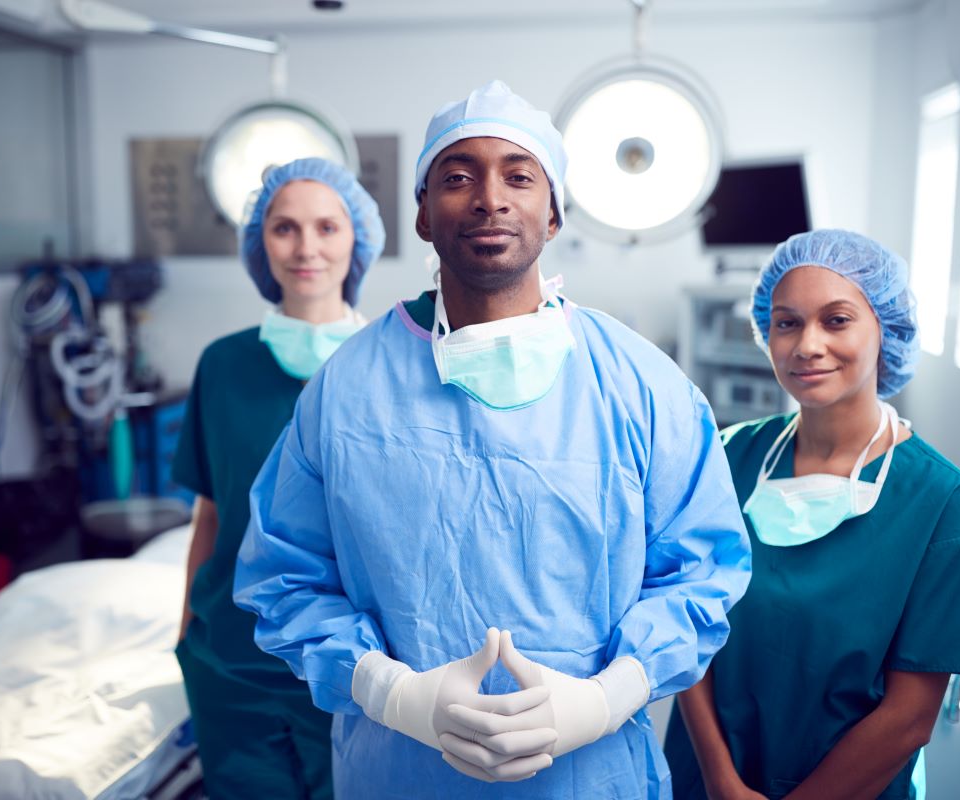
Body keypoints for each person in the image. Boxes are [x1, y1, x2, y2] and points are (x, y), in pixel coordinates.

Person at [233, 80, 752, 800]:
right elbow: (283, 578)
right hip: (399, 776)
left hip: (591, 779)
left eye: (518, 174)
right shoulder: (345, 389)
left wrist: (604, 697)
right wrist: (393, 694)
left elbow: (701, 573)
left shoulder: (642, 385)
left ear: (555, 209)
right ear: (420, 212)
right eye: (457, 176)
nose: (489, 198)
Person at [663, 229, 960, 800]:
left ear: (885, 331)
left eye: (837, 320)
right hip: (707, 780)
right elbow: (684, 624)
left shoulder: (943, 502)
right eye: (787, 322)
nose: (807, 345)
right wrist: (721, 781)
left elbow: (909, 718)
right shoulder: (726, 457)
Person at [172, 157, 385, 800]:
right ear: (260, 244)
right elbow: (212, 515)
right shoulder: (223, 365)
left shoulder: (387, 367)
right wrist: (186, 636)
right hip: (230, 664)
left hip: (348, 666)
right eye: (284, 229)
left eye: (327, 227)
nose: (307, 248)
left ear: (358, 241)